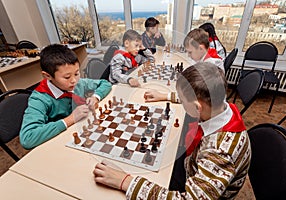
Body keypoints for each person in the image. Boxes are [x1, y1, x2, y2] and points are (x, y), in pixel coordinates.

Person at [93, 62, 251, 199]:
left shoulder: (220, 153)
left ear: (197, 107)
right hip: (193, 164)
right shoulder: (220, 105)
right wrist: (166, 95)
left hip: (196, 187)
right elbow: (197, 97)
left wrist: (126, 182)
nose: (181, 103)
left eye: (182, 101)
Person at [19, 44, 112, 149]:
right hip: (58, 143)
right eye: (67, 77)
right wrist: (70, 119)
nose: (74, 80)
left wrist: (95, 97)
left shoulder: (78, 83)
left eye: (77, 74)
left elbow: (105, 83)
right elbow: (27, 138)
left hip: (81, 131)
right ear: (47, 76)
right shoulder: (39, 98)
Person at [144, 28, 224, 103]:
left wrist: (163, 96)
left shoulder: (210, 66)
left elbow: (192, 97)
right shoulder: (206, 55)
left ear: (201, 48)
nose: (189, 56)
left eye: (190, 52)